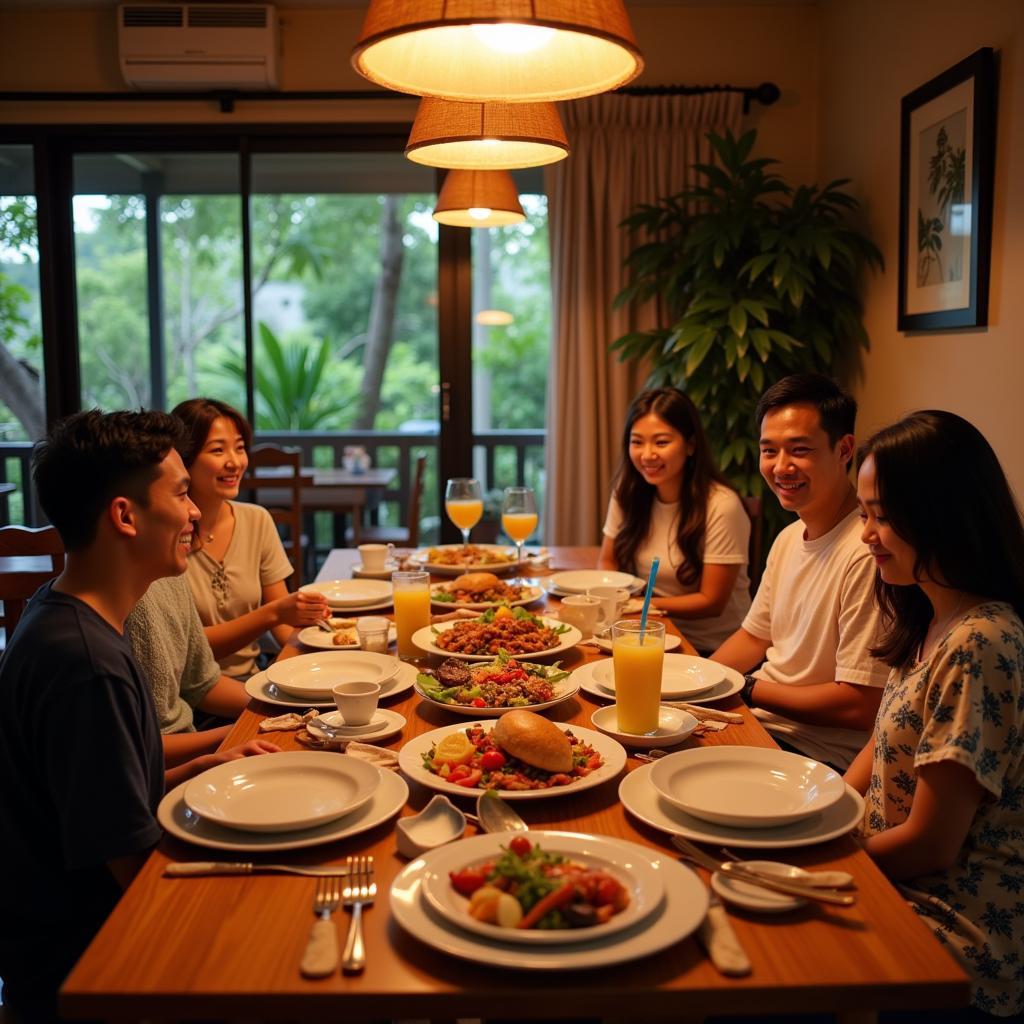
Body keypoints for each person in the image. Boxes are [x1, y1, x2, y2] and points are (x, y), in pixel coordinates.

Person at [0, 410, 278, 1022]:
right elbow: (135, 872)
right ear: (125, 516)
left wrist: (213, 759)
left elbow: (108, 797)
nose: (197, 512)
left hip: (86, 933)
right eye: (182, 494)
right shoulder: (85, 665)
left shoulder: (66, 615)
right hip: (91, 964)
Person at [849, 410, 1024, 1019]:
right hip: (889, 882)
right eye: (865, 514)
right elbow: (874, 754)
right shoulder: (929, 617)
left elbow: (931, 844)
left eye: (883, 516)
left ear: (943, 512)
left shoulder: (983, 643)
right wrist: (805, 813)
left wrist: (822, 862)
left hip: (948, 930)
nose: (866, 533)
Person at [711, 373, 888, 769]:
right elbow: (754, 637)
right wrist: (695, 681)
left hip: (816, 754)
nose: (781, 467)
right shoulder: (790, 536)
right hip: (759, 725)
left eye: (799, 450)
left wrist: (745, 687)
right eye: (769, 451)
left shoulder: (869, 550)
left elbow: (859, 705)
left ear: (844, 449)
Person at [171, 398, 329, 680]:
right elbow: (188, 649)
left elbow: (283, 626)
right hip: (196, 697)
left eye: (240, 448)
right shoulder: (166, 536)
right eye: (218, 450)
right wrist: (274, 613)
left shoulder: (256, 520)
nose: (235, 462)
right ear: (183, 459)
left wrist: (323, 661)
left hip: (255, 677)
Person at [597, 387, 751, 654]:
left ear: (690, 445)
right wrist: (619, 600)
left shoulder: (721, 505)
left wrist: (637, 603)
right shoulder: (628, 493)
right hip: (650, 632)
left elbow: (712, 601)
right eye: (637, 442)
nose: (647, 455)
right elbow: (607, 559)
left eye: (661, 442)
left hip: (710, 649)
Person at [125, 574, 251, 766]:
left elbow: (202, 682)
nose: (204, 541)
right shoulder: (95, 628)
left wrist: (272, 710)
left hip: (189, 750)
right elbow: (132, 755)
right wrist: (240, 730)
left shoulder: (172, 578)